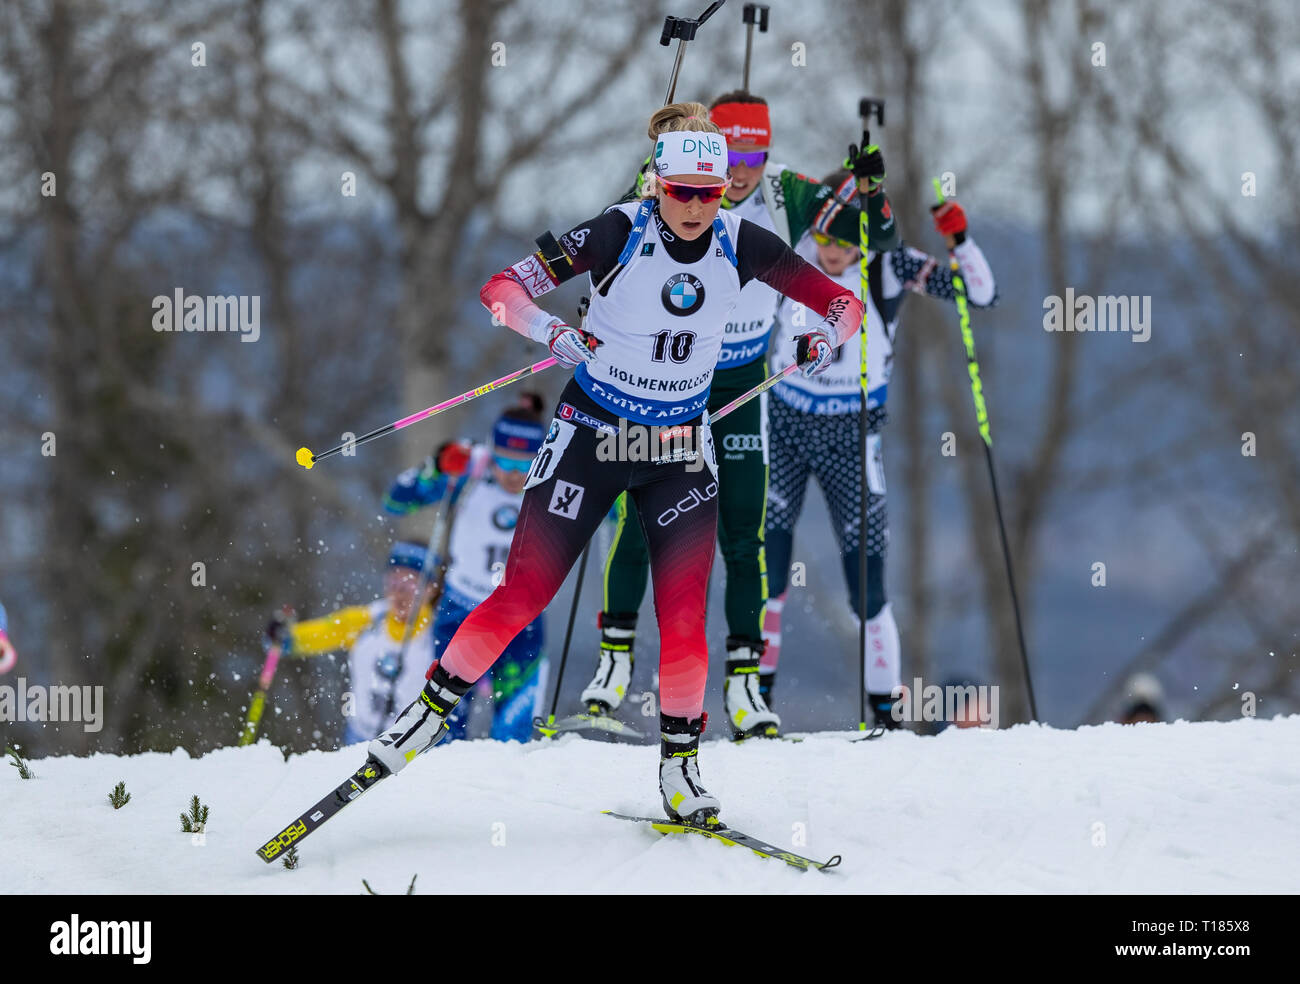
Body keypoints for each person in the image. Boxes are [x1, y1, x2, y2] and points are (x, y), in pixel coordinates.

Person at [366, 102, 865, 825]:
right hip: (593, 436)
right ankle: (425, 716)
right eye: (681, 191)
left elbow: (841, 304)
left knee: (684, 618)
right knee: (526, 592)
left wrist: (824, 338)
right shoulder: (616, 231)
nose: (695, 207)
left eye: (709, 191)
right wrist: (548, 331)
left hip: (675, 449)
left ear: (727, 186)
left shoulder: (744, 242)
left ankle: (680, 771)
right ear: (657, 183)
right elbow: (500, 291)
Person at [582, 90, 900, 740]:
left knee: (743, 529)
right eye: (733, 152)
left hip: (742, 379)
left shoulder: (785, 193)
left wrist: (873, 192)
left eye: (756, 151)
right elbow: (602, 245)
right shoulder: (669, 188)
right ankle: (614, 662)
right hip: (664, 380)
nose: (743, 169)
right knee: (640, 520)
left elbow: (869, 233)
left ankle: (745, 684)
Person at [761, 169, 998, 728]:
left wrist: (957, 235)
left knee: (866, 584)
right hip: (786, 426)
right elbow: (763, 180)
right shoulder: (791, 247)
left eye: (843, 242)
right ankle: (754, 702)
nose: (829, 252)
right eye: (823, 238)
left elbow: (980, 293)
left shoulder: (888, 265)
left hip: (852, 432)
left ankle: (884, 716)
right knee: (765, 571)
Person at [383, 393, 549, 742]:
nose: (515, 475)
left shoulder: (551, 478)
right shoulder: (469, 472)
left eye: (525, 463)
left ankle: (506, 788)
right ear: (492, 451)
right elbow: (396, 501)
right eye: (505, 461)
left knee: (514, 730)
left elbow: (611, 510)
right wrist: (436, 467)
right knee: (445, 722)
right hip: (461, 607)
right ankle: (443, 782)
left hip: (520, 616)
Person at [266, 542, 437, 744]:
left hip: (415, 747)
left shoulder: (438, 634)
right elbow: (326, 631)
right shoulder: (367, 621)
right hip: (360, 740)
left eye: (410, 586)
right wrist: (286, 637)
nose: (400, 593)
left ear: (430, 589)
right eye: (394, 583)